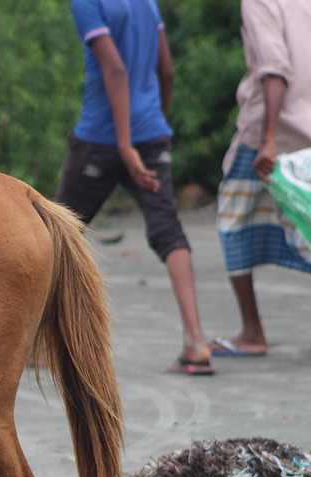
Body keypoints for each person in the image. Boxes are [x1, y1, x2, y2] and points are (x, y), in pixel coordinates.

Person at [55, 0, 215, 375]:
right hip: (149, 132)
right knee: (168, 228)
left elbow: (115, 69)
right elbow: (167, 70)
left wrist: (126, 145)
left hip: (101, 137)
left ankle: (39, 347)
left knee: (57, 235)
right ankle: (196, 341)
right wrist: (151, 121)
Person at [212, 0, 311, 358]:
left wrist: (268, 139)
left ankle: (253, 333)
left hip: (269, 134)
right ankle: (252, 331)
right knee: (306, 223)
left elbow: (274, 70)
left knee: (233, 220)